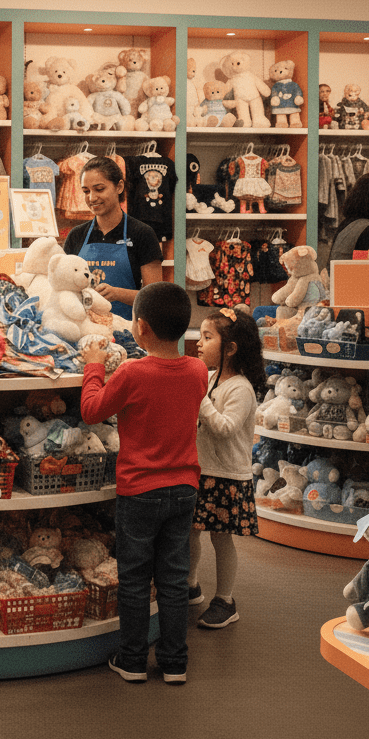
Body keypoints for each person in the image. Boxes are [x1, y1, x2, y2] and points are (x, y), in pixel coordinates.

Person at [80, 281, 209, 684]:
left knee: (134, 578)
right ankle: (174, 662)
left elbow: (91, 410)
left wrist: (94, 365)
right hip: (184, 487)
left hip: (139, 490)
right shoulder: (198, 369)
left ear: (140, 328)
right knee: (174, 577)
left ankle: (133, 659)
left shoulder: (133, 372)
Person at [189, 307, 266, 629]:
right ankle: (189, 585)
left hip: (226, 476)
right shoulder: (207, 377)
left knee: (221, 540)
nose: (198, 343)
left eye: (208, 337)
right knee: (190, 532)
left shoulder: (241, 389)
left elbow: (224, 428)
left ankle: (226, 599)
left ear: (230, 348)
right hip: (200, 470)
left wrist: (200, 399)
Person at [63, 156, 164, 322]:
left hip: (128, 332)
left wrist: (118, 293)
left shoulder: (142, 234)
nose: (92, 198)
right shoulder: (76, 235)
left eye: (99, 189)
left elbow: (155, 299)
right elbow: (63, 288)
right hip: (84, 331)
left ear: (119, 187)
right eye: (86, 191)